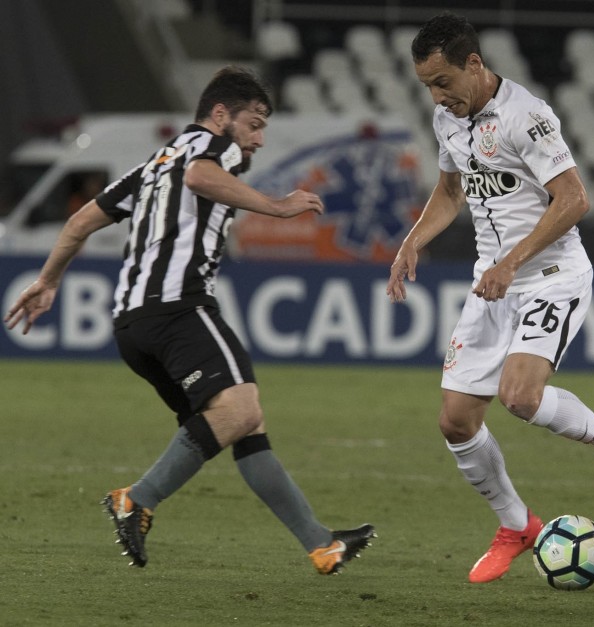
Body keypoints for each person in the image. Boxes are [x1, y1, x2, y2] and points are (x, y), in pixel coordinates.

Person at [5, 66, 376, 576]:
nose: (259, 139)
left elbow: (80, 222)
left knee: (245, 423)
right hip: (178, 307)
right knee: (240, 411)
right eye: (254, 123)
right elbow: (200, 175)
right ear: (221, 115)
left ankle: (320, 544)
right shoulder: (210, 146)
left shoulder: (151, 166)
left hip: (133, 327)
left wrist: (47, 281)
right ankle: (136, 499)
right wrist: (277, 207)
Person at [387, 13, 594, 584]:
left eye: (442, 82)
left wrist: (512, 262)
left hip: (551, 274)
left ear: (475, 64)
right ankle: (517, 526)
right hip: (494, 281)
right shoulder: (448, 119)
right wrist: (412, 242)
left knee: (519, 395)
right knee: (456, 422)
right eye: (427, 87)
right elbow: (452, 187)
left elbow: (574, 199)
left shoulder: (526, 116)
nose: (437, 97)